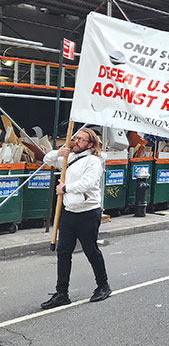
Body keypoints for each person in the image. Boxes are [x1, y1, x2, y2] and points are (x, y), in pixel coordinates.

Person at [40, 128, 111, 309]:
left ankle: (103, 286)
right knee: (63, 252)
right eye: (76, 138)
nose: (76, 141)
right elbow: (46, 159)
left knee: (90, 250)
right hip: (69, 212)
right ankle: (61, 293)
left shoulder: (93, 161)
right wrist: (58, 152)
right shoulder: (69, 158)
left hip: (88, 212)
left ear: (90, 144)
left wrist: (64, 189)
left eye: (81, 139)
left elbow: (88, 183)